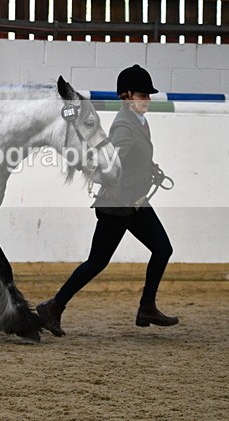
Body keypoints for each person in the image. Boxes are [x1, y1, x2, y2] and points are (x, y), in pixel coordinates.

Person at [37, 64, 178, 336]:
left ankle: (147, 307)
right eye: (142, 95)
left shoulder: (139, 122)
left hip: (135, 203)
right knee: (97, 262)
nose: (147, 99)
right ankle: (53, 306)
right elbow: (112, 164)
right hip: (117, 206)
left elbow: (134, 158)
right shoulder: (124, 126)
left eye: (148, 95)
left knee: (162, 249)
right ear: (126, 96)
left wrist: (149, 169)